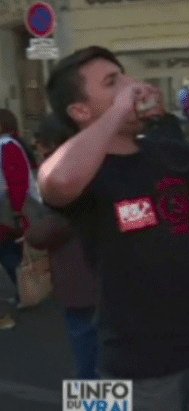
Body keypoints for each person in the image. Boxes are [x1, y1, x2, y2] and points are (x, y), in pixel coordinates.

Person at [41, 46, 189, 411]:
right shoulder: (83, 170)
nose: (129, 86)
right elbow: (56, 181)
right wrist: (122, 107)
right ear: (80, 111)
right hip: (132, 370)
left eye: (124, 76)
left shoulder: (166, 153)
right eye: (112, 82)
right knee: (87, 391)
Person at [26, 114, 99, 379]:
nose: (39, 150)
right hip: (110, 273)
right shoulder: (98, 159)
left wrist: (35, 233)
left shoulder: (66, 173)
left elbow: (61, 221)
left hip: (83, 276)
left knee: (88, 353)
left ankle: (95, 407)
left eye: (40, 144)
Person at [0, 109, 38, 329]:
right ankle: (22, 291)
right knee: (11, 252)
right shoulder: (9, 145)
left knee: (11, 253)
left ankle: (24, 291)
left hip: (7, 211)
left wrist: (17, 210)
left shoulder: (8, 147)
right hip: (8, 210)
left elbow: (17, 182)